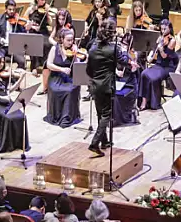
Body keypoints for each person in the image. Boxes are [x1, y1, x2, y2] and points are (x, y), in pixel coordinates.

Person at [87, 19, 127, 157]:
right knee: (106, 115)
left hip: (94, 85)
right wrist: (124, 50)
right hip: (107, 86)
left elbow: (88, 70)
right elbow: (123, 62)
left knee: (100, 114)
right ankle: (95, 142)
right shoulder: (113, 49)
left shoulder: (92, 48)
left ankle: (105, 142)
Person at [45, 27, 84, 128]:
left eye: (72, 40)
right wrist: (61, 69)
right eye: (68, 40)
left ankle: (67, 117)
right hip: (55, 78)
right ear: (62, 40)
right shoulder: (55, 48)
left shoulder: (73, 50)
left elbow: (78, 65)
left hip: (68, 78)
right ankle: (57, 116)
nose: (71, 42)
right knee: (56, 89)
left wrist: (76, 55)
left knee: (71, 89)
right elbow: (49, 64)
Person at [139, 19, 178, 112]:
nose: (163, 31)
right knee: (144, 73)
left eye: (165, 29)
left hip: (167, 66)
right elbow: (154, 50)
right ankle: (144, 102)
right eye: (162, 29)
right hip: (158, 64)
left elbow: (165, 56)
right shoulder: (160, 37)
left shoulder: (172, 40)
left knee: (153, 78)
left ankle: (154, 103)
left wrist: (160, 49)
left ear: (169, 29)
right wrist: (151, 54)